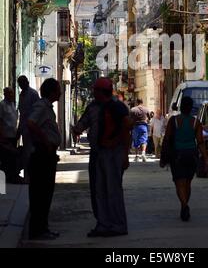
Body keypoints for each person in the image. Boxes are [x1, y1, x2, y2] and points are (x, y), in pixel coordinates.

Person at [72, 77, 131, 237]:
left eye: (95, 90)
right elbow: (81, 125)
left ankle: (116, 225)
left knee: (112, 190)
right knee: (99, 190)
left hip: (112, 153)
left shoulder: (116, 107)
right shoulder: (96, 107)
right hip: (99, 153)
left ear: (99, 91)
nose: (93, 92)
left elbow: (127, 127)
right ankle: (104, 224)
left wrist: (122, 151)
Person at [160, 96, 208, 222]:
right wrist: (206, 159)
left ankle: (184, 205)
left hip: (177, 155)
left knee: (179, 183)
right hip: (192, 155)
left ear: (181, 107)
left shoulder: (173, 120)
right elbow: (200, 142)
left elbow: (167, 139)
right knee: (187, 183)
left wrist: (163, 156)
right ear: (191, 108)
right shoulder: (196, 122)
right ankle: (184, 206)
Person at [27, 78, 62, 240]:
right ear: (52, 91)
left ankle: (43, 228)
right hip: (41, 156)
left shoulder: (47, 107)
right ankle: (38, 230)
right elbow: (31, 123)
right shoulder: (41, 106)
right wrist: (46, 141)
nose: (60, 92)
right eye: (58, 89)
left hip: (46, 155)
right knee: (41, 194)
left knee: (45, 194)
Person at [17, 76, 40, 181]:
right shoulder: (21, 95)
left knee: (31, 153)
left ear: (27, 82)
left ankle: (32, 176)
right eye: (20, 83)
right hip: (24, 128)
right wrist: (19, 129)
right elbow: (21, 114)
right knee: (26, 153)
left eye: (23, 83)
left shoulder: (33, 94)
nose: (21, 85)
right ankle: (27, 176)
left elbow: (38, 111)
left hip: (32, 128)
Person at [0, 87, 20, 183]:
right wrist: (2, 135)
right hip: (6, 136)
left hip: (13, 135)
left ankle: (12, 175)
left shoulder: (13, 104)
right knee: (6, 158)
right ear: (5, 94)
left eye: (12, 93)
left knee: (12, 157)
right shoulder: (2, 105)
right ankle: (5, 178)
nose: (12, 95)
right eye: (10, 93)